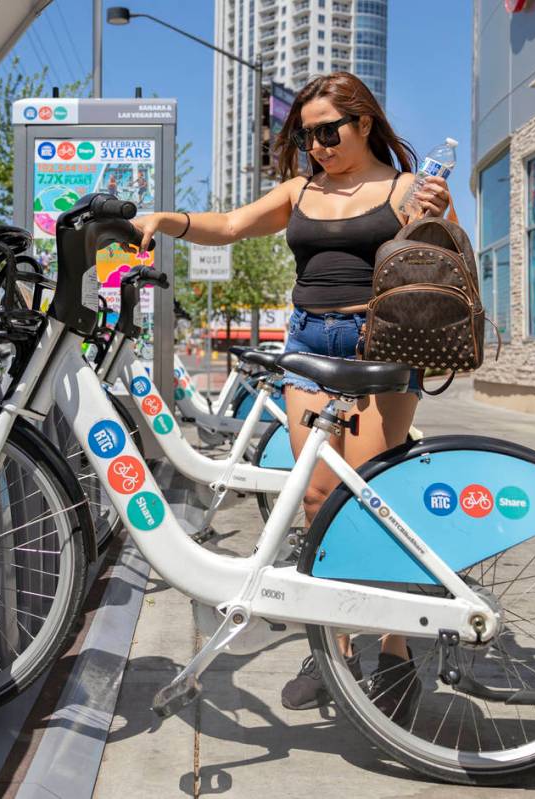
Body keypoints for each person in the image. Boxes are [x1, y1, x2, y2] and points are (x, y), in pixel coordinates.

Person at [131, 72, 451, 721]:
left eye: (328, 131)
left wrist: (433, 216)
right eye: (306, 134)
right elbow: (229, 225)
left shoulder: (403, 188)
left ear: (364, 123)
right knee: (314, 495)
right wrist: (170, 219)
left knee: (368, 496)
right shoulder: (299, 190)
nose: (317, 144)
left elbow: (429, 258)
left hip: (378, 343)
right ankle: (330, 644)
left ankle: (394, 647)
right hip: (307, 345)